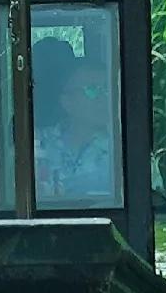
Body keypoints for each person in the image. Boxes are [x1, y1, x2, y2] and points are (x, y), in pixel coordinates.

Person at [32, 34, 120, 206]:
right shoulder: (34, 145)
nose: (103, 98)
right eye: (92, 90)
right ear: (66, 101)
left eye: (106, 89)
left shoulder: (126, 149)